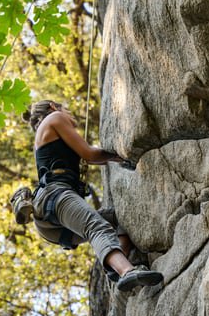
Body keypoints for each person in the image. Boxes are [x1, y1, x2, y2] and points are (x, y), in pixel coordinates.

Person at [23, 100, 164, 292]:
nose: (70, 116)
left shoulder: (44, 138)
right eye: (67, 109)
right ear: (54, 107)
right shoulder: (55, 117)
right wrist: (119, 155)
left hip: (52, 225)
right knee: (96, 227)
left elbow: (91, 158)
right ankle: (127, 272)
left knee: (120, 218)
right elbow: (90, 154)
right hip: (55, 197)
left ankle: (117, 268)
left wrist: (110, 158)